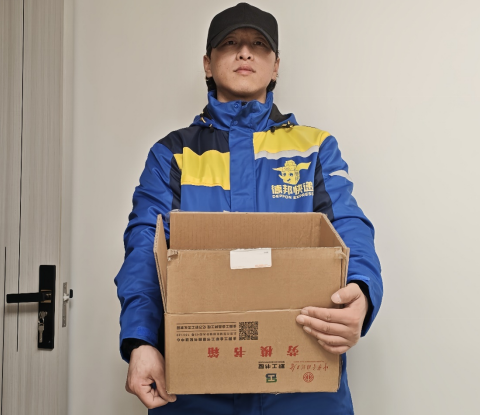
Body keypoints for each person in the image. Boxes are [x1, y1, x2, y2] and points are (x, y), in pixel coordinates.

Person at [114, 3, 383, 415]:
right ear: (208, 63)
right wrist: (141, 341)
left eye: (258, 44)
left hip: (302, 391)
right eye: (230, 43)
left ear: (276, 66)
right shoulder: (172, 154)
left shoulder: (314, 148)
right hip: (194, 390)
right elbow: (144, 249)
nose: (244, 52)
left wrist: (362, 291)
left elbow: (348, 225)